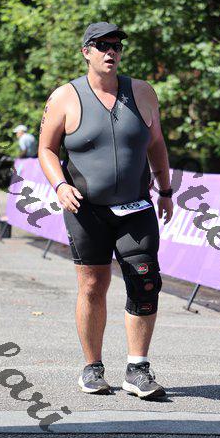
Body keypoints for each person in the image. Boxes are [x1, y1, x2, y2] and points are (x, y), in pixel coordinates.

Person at [38, 21, 174, 399]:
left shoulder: (142, 92)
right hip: (87, 210)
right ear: (86, 52)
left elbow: (156, 144)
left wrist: (165, 190)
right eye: (102, 45)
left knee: (145, 280)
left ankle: (137, 369)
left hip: (136, 207)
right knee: (93, 285)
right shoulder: (65, 97)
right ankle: (92, 367)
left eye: (116, 45)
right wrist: (60, 185)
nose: (111, 51)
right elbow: (46, 149)